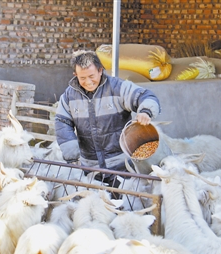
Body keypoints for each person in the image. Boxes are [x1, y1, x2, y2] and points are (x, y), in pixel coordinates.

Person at [54, 50, 161, 191]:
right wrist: (72, 154)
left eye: (91, 76)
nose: (88, 82)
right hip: (90, 169)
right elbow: (62, 122)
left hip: (122, 167)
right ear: (75, 75)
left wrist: (145, 111)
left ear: (100, 70)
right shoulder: (69, 96)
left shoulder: (118, 88)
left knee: (124, 205)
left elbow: (145, 96)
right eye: (82, 78)